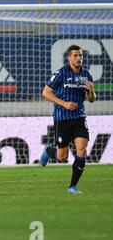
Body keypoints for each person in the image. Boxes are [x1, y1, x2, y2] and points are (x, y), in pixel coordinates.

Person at [39, 44, 96, 194]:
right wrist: (64, 103)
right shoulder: (61, 73)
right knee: (61, 157)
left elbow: (91, 100)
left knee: (82, 151)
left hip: (79, 117)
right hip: (62, 118)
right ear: (69, 57)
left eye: (81, 56)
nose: (79, 58)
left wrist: (91, 90)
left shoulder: (87, 75)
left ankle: (72, 187)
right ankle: (49, 150)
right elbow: (46, 92)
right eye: (75, 56)